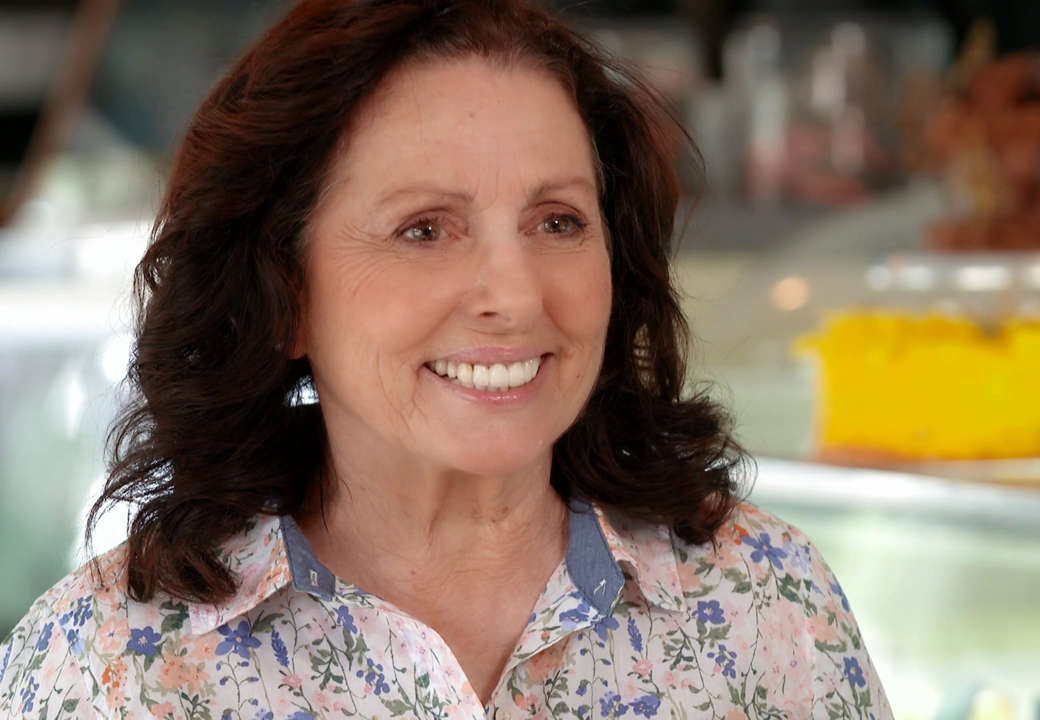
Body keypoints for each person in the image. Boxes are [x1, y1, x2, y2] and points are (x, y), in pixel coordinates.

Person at [0, 1, 893, 717]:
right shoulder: (108, 666)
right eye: (425, 230)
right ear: (283, 293)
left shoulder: (768, 603)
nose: (516, 294)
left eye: (558, 222)